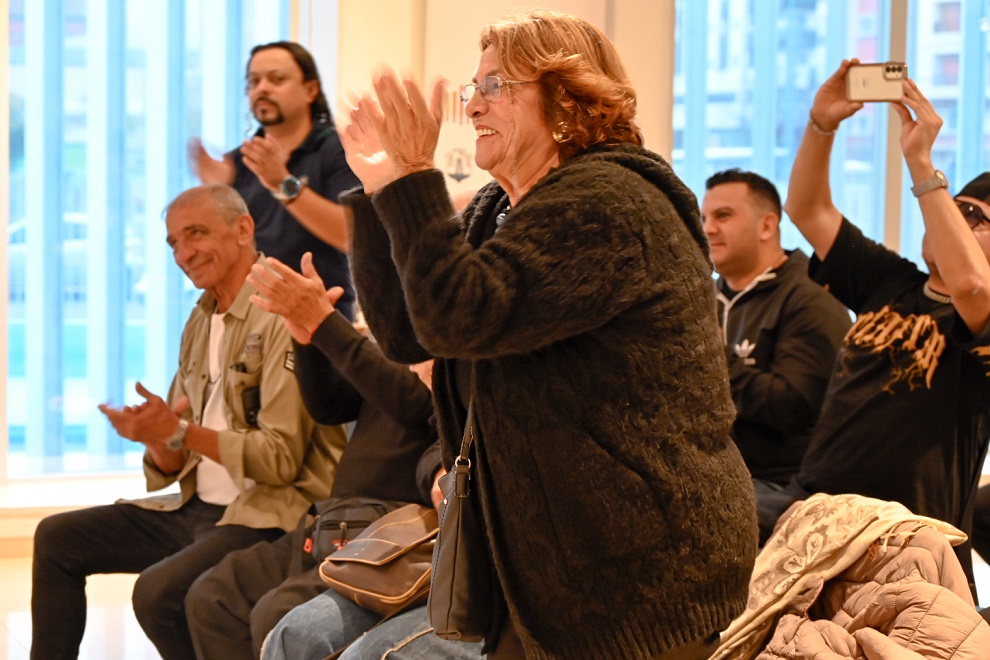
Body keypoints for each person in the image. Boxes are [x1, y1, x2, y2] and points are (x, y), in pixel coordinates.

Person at [338, 9, 758, 659]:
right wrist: (379, 189)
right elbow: (410, 335)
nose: (472, 106)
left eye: (495, 86)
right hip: (553, 568)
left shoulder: (609, 201)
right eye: (472, 88)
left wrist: (415, 175)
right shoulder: (499, 209)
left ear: (566, 100)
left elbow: (457, 315)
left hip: (638, 573)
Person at [29, 185, 346, 660]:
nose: (183, 254)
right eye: (173, 242)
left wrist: (178, 432)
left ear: (244, 229)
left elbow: (279, 460)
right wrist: (158, 439)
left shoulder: (281, 311)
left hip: (269, 514)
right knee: (57, 538)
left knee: (159, 593)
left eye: (195, 234)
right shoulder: (200, 319)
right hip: (199, 506)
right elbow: (176, 455)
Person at [778, 59, 990, 589]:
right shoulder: (890, 280)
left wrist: (920, 162)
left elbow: (971, 285)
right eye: (953, 207)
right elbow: (807, 209)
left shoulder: (981, 310)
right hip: (821, 518)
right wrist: (821, 125)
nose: (952, 218)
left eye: (975, 217)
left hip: (910, 544)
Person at [184, 253, 440, 659]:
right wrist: (308, 340)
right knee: (214, 597)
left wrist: (324, 323)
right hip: (336, 520)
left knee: (278, 615)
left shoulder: (458, 346)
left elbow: (413, 401)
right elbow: (330, 406)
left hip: (396, 536)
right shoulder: (399, 337)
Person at [701, 168, 851, 542]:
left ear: (767, 225)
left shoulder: (811, 299)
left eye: (723, 216)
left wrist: (708, 358)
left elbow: (792, 406)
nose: (708, 229)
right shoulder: (703, 298)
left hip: (783, 486)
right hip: (712, 471)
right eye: (704, 218)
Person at [189, 40, 360, 319]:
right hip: (247, 319)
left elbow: (352, 235)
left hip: (318, 323)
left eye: (277, 79)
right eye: (254, 81)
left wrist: (283, 184)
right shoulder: (239, 161)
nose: (262, 88)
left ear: (310, 90)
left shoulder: (338, 151)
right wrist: (214, 194)